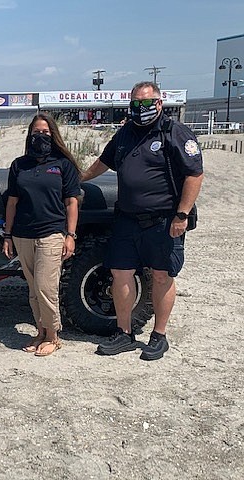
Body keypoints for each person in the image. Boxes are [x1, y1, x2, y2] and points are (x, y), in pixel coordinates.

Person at [80, 81, 204, 361]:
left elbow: (195, 174)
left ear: (159, 103)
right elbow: (104, 161)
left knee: (161, 276)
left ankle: (159, 336)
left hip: (164, 221)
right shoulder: (126, 133)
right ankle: (124, 333)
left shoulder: (175, 133)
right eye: (135, 104)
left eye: (146, 104)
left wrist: (182, 214)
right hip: (126, 219)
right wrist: (80, 178)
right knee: (120, 274)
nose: (140, 109)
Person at [3, 113, 81, 357]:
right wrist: (7, 234)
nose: (40, 136)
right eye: (36, 132)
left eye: (45, 133)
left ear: (53, 135)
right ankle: (40, 331)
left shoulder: (62, 164)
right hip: (23, 235)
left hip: (52, 233)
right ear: (30, 135)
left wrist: (70, 235)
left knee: (47, 287)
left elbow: (71, 202)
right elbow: (12, 202)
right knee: (33, 289)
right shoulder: (19, 165)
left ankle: (53, 336)